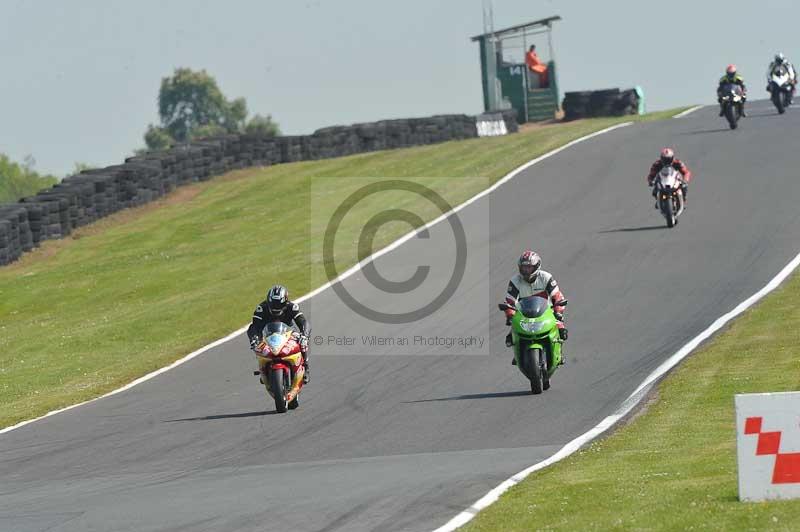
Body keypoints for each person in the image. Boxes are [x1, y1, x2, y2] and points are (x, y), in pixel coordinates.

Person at [503, 250, 567, 364]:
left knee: (561, 330)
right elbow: (509, 301)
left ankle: (559, 354)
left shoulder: (546, 277)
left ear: (536, 266)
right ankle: (517, 355)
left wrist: (558, 311)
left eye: (528, 268)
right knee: (511, 335)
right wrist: (510, 314)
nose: (525, 271)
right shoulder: (515, 281)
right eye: (523, 268)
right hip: (524, 314)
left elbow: (557, 296)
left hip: (546, 312)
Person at [247, 285, 311, 383]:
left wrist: (304, 335)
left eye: (279, 306)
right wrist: (254, 338)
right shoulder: (261, 308)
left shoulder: (292, 307)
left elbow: (303, 322)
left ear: (285, 302)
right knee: (257, 345)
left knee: (303, 342)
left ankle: (306, 367)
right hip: (268, 334)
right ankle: (263, 368)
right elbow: (254, 327)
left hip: (288, 333)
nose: (275, 309)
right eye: (273, 306)